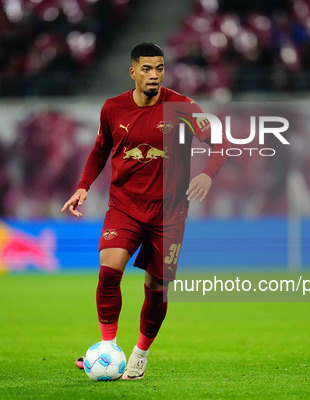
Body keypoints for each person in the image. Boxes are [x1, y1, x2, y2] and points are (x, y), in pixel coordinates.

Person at [62, 42, 228, 380]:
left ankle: (140, 354)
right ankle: (108, 347)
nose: (154, 75)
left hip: (169, 214)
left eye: (160, 69)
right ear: (133, 71)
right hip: (124, 207)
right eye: (148, 69)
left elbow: (221, 144)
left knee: (157, 287)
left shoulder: (183, 107)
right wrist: (83, 186)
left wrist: (207, 174)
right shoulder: (113, 109)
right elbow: (99, 151)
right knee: (109, 269)